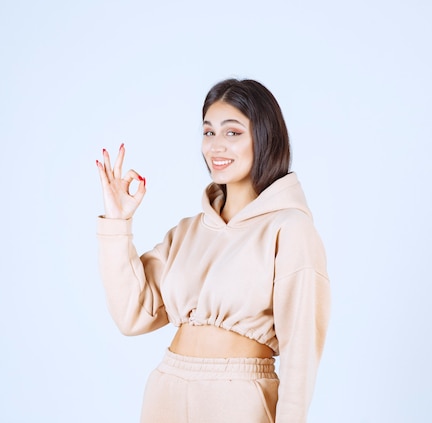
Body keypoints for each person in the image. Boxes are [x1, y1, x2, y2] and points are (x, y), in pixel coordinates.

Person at [95, 79, 330, 423]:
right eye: (208, 132)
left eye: (232, 133)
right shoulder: (188, 231)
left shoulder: (290, 228)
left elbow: (301, 352)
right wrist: (117, 223)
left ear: (265, 138)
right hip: (166, 393)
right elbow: (133, 314)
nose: (216, 146)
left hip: (239, 401)